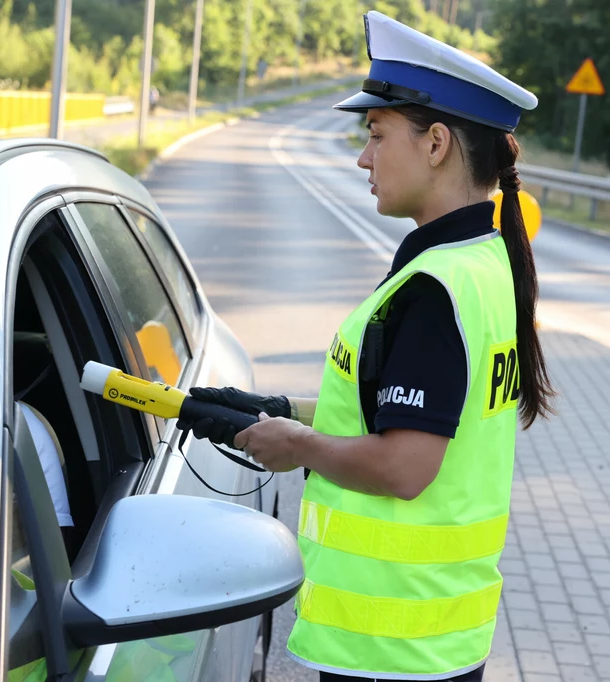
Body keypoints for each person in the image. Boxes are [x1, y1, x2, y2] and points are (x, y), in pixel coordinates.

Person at [183, 11, 554, 681]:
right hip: (432, 638)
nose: (362, 156)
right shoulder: (484, 261)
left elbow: (403, 467)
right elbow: (394, 410)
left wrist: (295, 448)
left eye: (377, 135)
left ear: (436, 143)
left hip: (392, 645)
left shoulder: (435, 289)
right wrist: (278, 409)